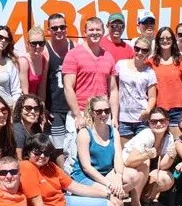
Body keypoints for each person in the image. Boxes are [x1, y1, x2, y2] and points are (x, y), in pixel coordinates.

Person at [20, 133, 116, 206]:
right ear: (28, 152)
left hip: (65, 203)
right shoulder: (26, 167)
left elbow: (75, 187)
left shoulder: (50, 166)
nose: (42, 156)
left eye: (46, 152)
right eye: (37, 152)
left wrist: (107, 194)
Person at [70, 96, 141, 206]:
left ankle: (109, 197)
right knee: (114, 204)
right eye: (99, 111)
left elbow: (118, 156)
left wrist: (118, 178)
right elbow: (87, 167)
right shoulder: (85, 133)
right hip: (85, 176)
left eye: (107, 111)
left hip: (106, 173)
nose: (103, 114)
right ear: (92, 113)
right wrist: (109, 185)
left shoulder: (113, 131)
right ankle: (106, 198)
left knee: (134, 176)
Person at [63, 17, 119, 149]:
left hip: (103, 114)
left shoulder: (108, 56)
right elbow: (68, 87)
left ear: (103, 31)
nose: (95, 33)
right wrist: (77, 115)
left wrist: (114, 117)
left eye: (98, 30)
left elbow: (113, 90)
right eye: (91, 29)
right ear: (85, 32)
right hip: (82, 112)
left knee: (102, 153)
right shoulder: (73, 55)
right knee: (75, 155)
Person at [121, 107, 177, 206]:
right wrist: (146, 155)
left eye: (162, 120)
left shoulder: (168, 137)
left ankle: (144, 198)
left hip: (142, 172)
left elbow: (162, 166)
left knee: (166, 178)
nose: (158, 124)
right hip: (127, 170)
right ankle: (136, 203)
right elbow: (128, 162)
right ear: (149, 123)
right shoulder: (147, 135)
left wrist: (171, 156)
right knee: (145, 162)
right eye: (154, 122)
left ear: (168, 122)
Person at [114, 36, 157, 145]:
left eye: (144, 50)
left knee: (142, 152)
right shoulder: (121, 65)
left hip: (141, 119)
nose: (140, 52)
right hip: (124, 118)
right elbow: (113, 88)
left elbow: (152, 96)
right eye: (137, 49)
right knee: (125, 154)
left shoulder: (150, 72)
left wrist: (148, 110)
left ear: (149, 52)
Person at [44, 13, 75, 154]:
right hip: (54, 109)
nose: (58, 31)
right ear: (48, 30)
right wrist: (43, 107)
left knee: (74, 145)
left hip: (73, 107)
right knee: (57, 148)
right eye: (54, 28)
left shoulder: (74, 47)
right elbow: (42, 82)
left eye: (62, 27)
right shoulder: (44, 49)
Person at [149, 26, 182, 129]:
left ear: (173, 40)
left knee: (177, 142)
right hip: (158, 109)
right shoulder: (151, 62)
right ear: (157, 41)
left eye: (168, 38)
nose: (165, 41)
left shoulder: (181, 60)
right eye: (162, 39)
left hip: (178, 110)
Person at [0, 25, 22, 107]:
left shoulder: (10, 63)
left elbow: (16, 91)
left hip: (6, 108)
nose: (3, 40)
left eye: (7, 39)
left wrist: (14, 108)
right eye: (0, 37)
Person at [18, 25, 48, 98]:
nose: (38, 46)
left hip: (36, 102)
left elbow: (42, 89)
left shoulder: (44, 60)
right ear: (28, 44)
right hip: (25, 102)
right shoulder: (23, 61)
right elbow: (25, 92)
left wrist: (42, 105)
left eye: (41, 43)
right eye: (34, 43)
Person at [12, 93, 46, 158]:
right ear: (20, 110)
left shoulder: (36, 127)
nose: (33, 111)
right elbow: (18, 159)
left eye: (36, 108)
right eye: (28, 108)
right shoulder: (17, 130)